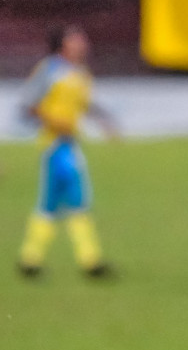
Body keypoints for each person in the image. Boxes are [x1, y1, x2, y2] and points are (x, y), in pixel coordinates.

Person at [17, 26, 117, 278]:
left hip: (69, 144)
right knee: (77, 199)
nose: (83, 43)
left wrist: (103, 120)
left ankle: (30, 260)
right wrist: (53, 120)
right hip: (55, 145)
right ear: (63, 45)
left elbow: (83, 103)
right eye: (76, 39)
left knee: (51, 204)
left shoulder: (81, 73)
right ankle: (90, 261)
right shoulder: (49, 70)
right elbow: (28, 105)